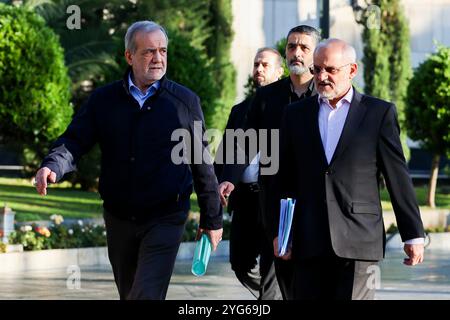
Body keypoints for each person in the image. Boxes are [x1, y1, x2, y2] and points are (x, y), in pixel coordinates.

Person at [34, 21, 223, 300]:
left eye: (163, 51)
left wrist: (212, 218)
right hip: (119, 216)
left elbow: (201, 163)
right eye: (149, 52)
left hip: (166, 216)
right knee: (129, 293)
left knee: (145, 295)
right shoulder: (103, 100)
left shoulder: (184, 102)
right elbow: (75, 140)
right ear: (129, 56)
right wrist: (53, 166)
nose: (158, 58)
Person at [276, 38, 425, 300]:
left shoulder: (378, 113)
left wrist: (412, 234)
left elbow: (397, 175)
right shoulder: (295, 114)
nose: (322, 77)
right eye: (317, 69)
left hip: (359, 239)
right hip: (308, 237)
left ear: (352, 70)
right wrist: (280, 232)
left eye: (330, 70)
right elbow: (283, 178)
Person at [218, 25, 321, 300]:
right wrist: (229, 177)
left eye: (303, 48)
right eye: (291, 47)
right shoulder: (267, 97)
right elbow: (244, 142)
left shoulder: (325, 95)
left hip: (313, 201)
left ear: (316, 54)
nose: (296, 53)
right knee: (267, 272)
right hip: (271, 200)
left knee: (283, 275)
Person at [215, 48, 284, 299]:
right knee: (240, 264)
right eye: (256, 64)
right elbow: (225, 153)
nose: (259, 69)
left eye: (265, 65)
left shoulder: (289, 108)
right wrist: (217, 184)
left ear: (279, 71)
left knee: (271, 268)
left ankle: (272, 296)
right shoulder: (240, 110)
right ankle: (280, 295)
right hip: (244, 199)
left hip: (273, 199)